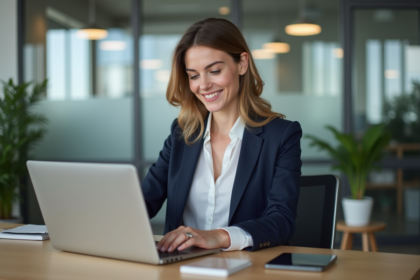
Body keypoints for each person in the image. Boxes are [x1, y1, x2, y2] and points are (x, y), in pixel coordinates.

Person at [141, 18, 302, 253]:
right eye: (194, 75)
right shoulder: (181, 134)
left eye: (214, 71)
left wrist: (219, 236)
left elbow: (281, 220)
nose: (203, 85)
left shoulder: (282, 136)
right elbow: (144, 201)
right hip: (179, 268)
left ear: (242, 64)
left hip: (247, 268)